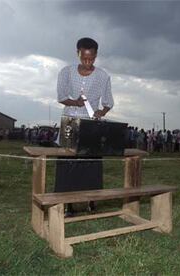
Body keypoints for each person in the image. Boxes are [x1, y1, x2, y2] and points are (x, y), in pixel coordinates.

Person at [56, 37, 114, 217]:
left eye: (91, 58)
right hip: (70, 121)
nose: (87, 62)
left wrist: (101, 113)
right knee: (68, 164)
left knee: (91, 163)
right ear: (78, 54)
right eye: (84, 58)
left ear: (96, 55)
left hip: (91, 125)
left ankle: (91, 202)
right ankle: (68, 205)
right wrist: (75, 102)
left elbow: (108, 102)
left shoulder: (103, 76)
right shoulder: (66, 72)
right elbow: (61, 96)